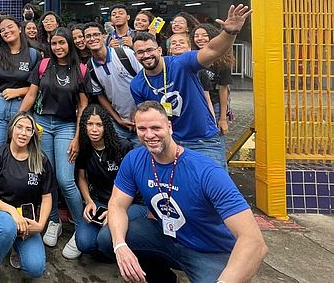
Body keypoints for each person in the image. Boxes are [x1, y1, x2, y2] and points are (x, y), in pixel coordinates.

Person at [100, 101, 267, 283]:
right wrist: (121, 246)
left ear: (170, 127)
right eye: (142, 129)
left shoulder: (206, 171)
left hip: (208, 250)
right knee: (107, 238)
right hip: (166, 238)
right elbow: (116, 203)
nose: (149, 135)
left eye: (156, 127)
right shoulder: (134, 159)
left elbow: (254, 242)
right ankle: (161, 278)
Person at [129, 4, 251, 168]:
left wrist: (230, 32)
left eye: (150, 50)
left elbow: (212, 50)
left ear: (159, 50)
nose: (146, 55)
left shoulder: (181, 63)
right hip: (169, 143)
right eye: (140, 52)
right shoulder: (137, 84)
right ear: (135, 55)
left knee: (216, 189)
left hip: (202, 140)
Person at [21, 27, 88, 254]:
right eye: (55, 43)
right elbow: (31, 94)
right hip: (41, 123)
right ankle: (54, 221)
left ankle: (82, 227)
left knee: (65, 179)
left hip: (66, 126)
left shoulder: (79, 70)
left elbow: (83, 107)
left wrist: (78, 136)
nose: (58, 47)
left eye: (62, 43)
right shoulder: (43, 65)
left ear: (69, 43)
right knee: (46, 176)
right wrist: (19, 120)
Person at [0, 111, 54, 282]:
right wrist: (12, 212)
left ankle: (13, 244)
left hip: (27, 218)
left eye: (29, 129)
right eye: (19, 127)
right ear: (11, 129)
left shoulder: (41, 160)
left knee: (36, 268)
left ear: (33, 134)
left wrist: (41, 224)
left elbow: (47, 197)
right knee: (7, 228)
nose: (23, 133)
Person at [73, 105, 145, 259]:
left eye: (99, 125)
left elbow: (136, 183)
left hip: (130, 203)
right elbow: (81, 177)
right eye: (90, 124)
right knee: (84, 242)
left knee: (106, 235)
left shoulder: (123, 146)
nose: (94, 129)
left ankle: (120, 250)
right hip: (100, 202)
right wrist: (89, 201)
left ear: (106, 126)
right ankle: (107, 253)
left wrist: (114, 211)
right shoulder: (85, 148)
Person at [0, 15, 41, 164]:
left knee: (19, 155)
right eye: (2, 30)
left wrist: (18, 91)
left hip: (22, 106)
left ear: (19, 29)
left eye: (10, 27)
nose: (6, 31)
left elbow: (38, 87)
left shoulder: (33, 54)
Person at [83, 21, 142, 143]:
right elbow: (100, 96)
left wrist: (140, 110)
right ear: (84, 41)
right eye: (88, 36)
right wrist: (118, 119)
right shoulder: (89, 68)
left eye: (96, 34)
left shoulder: (125, 54)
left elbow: (145, 80)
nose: (92, 38)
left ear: (103, 37)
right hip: (119, 124)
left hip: (141, 120)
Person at [193, 23, 235, 139]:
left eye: (204, 35)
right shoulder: (189, 57)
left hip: (214, 105)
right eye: (196, 36)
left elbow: (223, 89)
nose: (200, 39)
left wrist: (222, 118)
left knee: (215, 139)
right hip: (193, 106)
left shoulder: (222, 61)